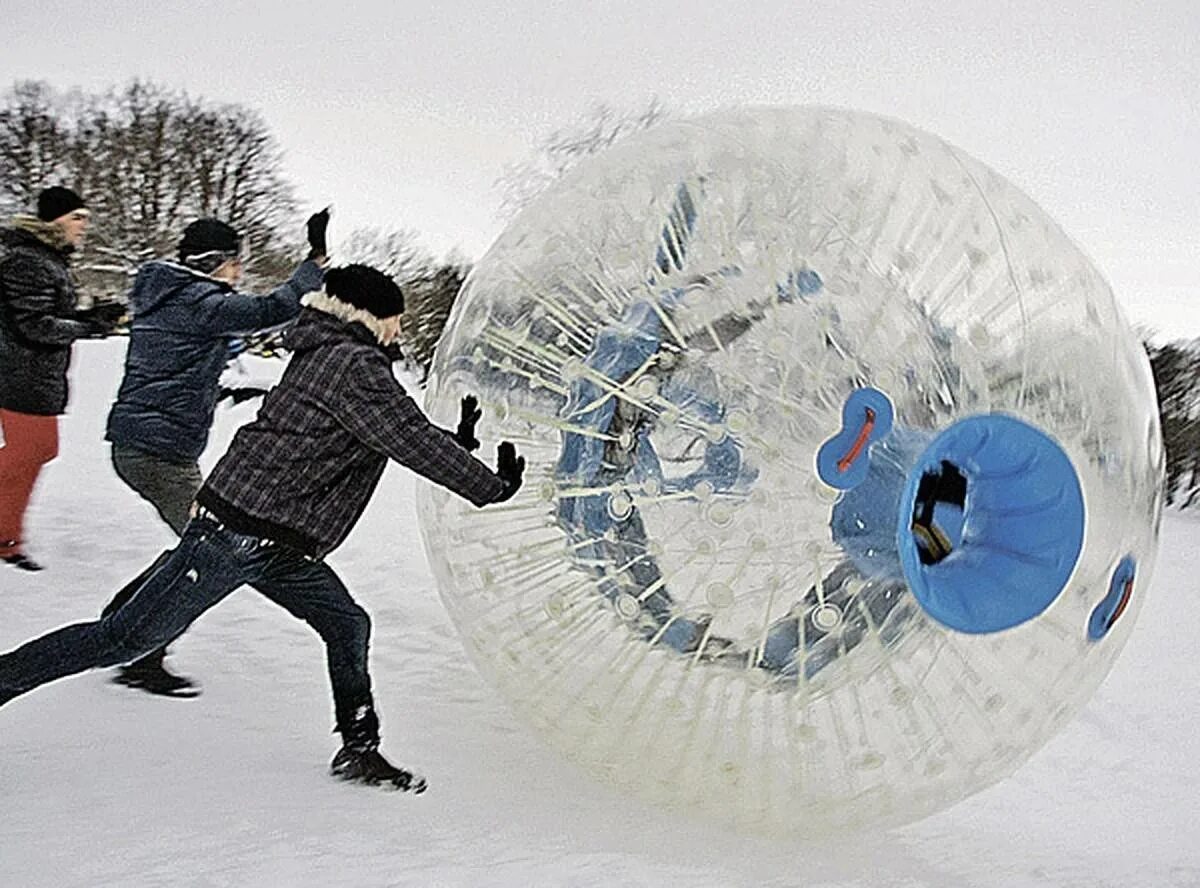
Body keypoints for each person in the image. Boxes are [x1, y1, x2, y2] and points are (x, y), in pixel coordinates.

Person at [0, 264, 525, 793]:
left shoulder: (331, 352)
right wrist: (491, 487)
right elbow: (404, 435)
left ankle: (359, 749)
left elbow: (392, 429)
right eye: (395, 319)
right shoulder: (352, 364)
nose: (398, 331)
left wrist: (456, 443)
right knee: (120, 640)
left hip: (274, 541)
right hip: (235, 533)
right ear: (370, 316)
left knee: (347, 624)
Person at [100, 211, 330, 697]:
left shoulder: (169, 298)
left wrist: (222, 389)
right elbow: (273, 308)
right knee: (210, 554)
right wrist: (312, 265)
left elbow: (175, 364)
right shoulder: (197, 300)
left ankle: (120, 618)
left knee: (198, 545)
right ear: (216, 262)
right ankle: (139, 651)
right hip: (158, 453)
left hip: (147, 446)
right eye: (235, 264)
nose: (239, 273)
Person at [0, 186, 123, 572]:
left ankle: (6, 534)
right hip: (19, 372)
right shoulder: (29, 260)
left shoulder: (48, 260)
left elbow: (47, 314)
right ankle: (4, 536)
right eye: (77, 218)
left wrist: (90, 317)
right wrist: (90, 328)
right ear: (54, 221)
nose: (84, 226)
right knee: (32, 449)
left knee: (35, 451)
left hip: (33, 373)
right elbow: (34, 325)